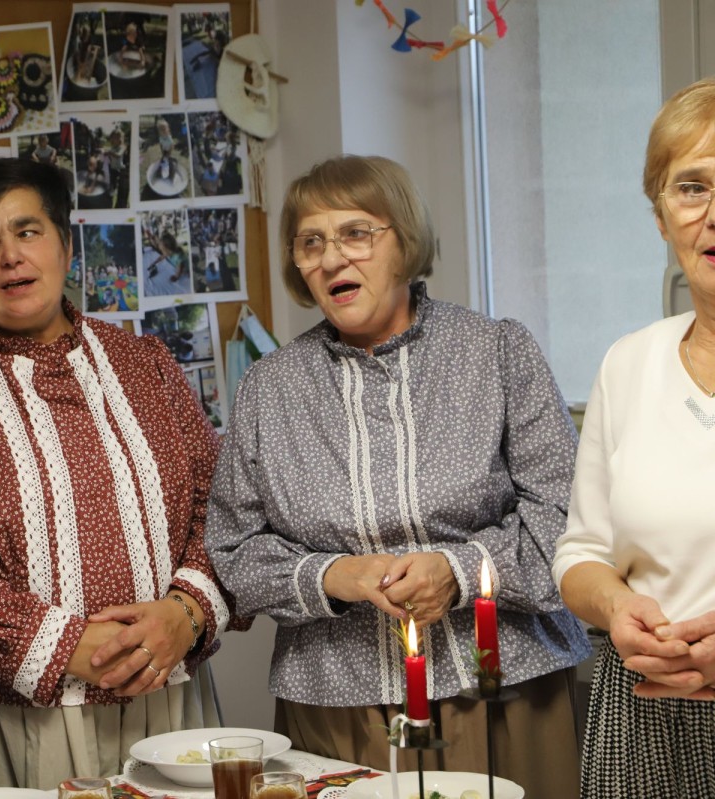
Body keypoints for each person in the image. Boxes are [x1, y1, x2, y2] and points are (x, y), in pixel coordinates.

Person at [206, 154, 590, 798]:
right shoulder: (269, 388)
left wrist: (459, 571)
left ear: (405, 240)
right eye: (310, 242)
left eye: (356, 233)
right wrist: (334, 576)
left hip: (502, 691)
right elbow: (232, 551)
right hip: (336, 705)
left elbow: (570, 522)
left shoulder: (496, 352)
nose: (331, 259)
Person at [0, 158, 234, 796]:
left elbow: (222, 508)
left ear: (66, 246)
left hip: (167, 700)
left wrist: (186, 613)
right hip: (9, 721)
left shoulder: (146, 363)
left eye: (28, 231)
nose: (10, 257)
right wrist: (66, 645)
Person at [552, 77, 715, 798]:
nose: (714, 215)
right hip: (642, 716)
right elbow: (582, 552)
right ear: (660, 217)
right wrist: (618, 609)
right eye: (692, 188)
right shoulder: (629, 362)